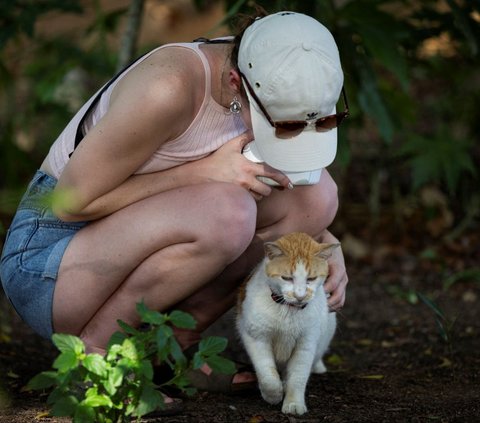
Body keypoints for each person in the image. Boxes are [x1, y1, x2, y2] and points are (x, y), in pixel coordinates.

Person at [0, 10, 349, 394]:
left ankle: (179, 347)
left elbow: (302, 201)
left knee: (317, 198)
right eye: (281, 127)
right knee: (228, 213)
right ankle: (97, 356)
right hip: (49, 263)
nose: (287, 135)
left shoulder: (278, 77)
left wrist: (322, 245)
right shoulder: (169, 86)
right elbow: (68, 202)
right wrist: (202, 172)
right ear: (236, 83)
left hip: (136, 235)